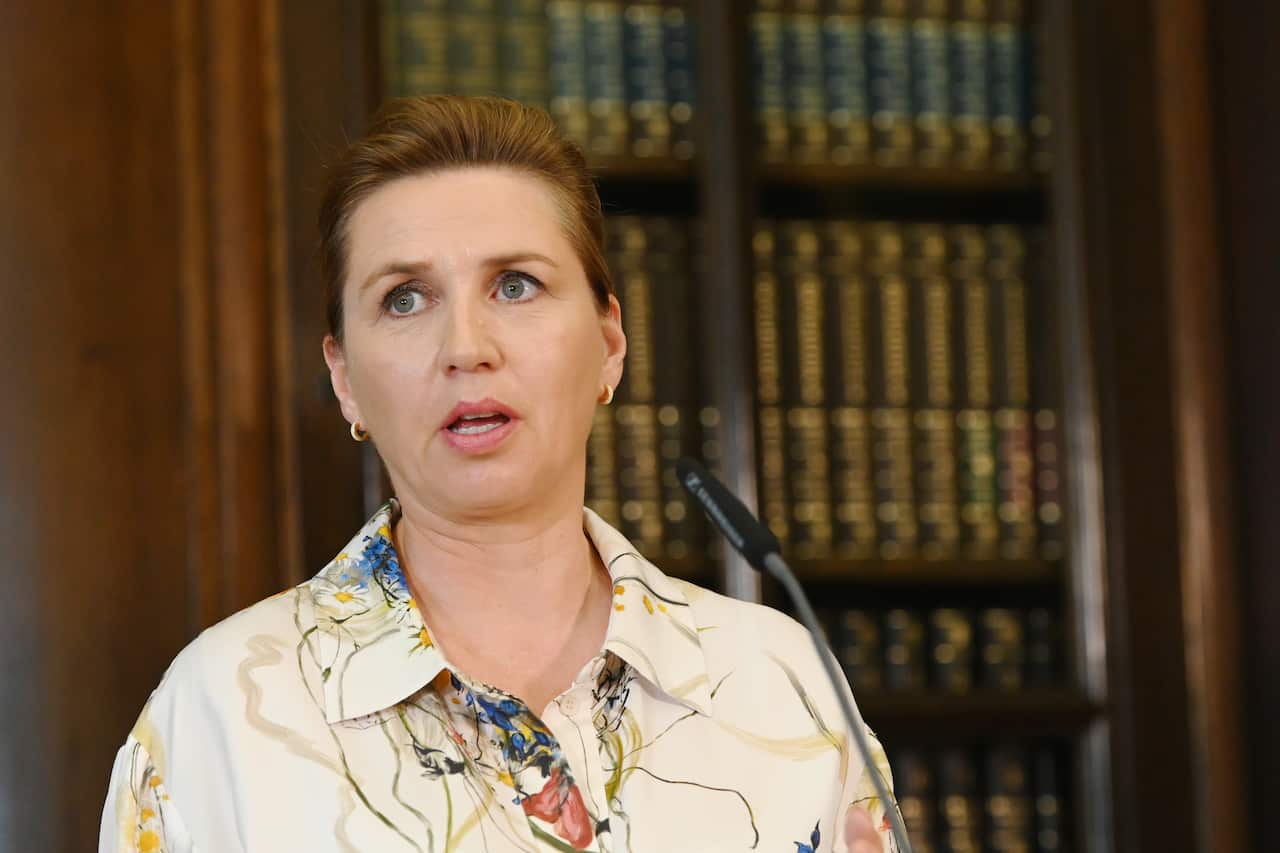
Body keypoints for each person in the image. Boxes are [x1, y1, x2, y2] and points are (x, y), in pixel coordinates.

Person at [100, 95, 898, 853]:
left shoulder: (780, 684)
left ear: (610, 344)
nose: (466, 345)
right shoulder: (222, 712)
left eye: (515, 285)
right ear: (345, 378)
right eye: (405, 298)